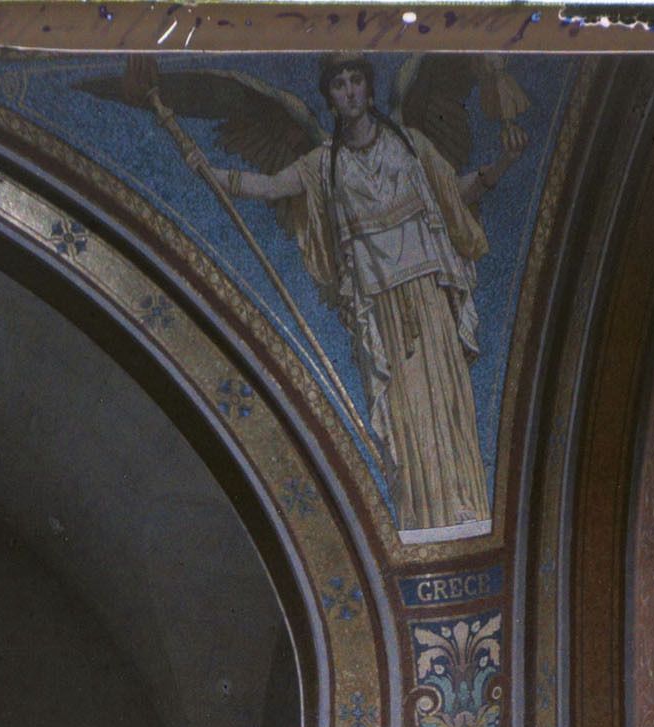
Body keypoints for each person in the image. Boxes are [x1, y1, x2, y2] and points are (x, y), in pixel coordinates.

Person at [188, 56, 523, 534]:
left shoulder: (410, 144)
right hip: (381, 303)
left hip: (428, 288)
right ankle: (424, 516)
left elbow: (456, 194)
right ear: (330, 97)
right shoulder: (324, 164)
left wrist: (506, 162)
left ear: (369, 88)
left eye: (356, 81)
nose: (349, 92)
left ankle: (466, 506)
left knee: (446, 398)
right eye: (339, 85)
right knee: (407, 409)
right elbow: (270, 186)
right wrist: (208, 171)